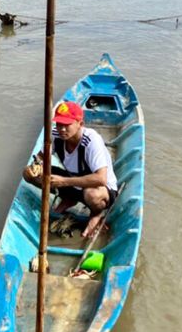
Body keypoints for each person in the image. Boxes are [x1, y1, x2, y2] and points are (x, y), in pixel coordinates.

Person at [22, 101, 118, 238]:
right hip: (72, 181)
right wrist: (33, 167)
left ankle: (96, 214)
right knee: (29, 174)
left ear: (80, 124)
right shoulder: (56, 135)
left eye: (67, 125)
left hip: (101, 190)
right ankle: (69, 197)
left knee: (92, 194)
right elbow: (40, 158)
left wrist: (64, 181)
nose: (62, 129)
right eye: (59, 124)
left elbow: (101, 179)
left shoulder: (91, 141)